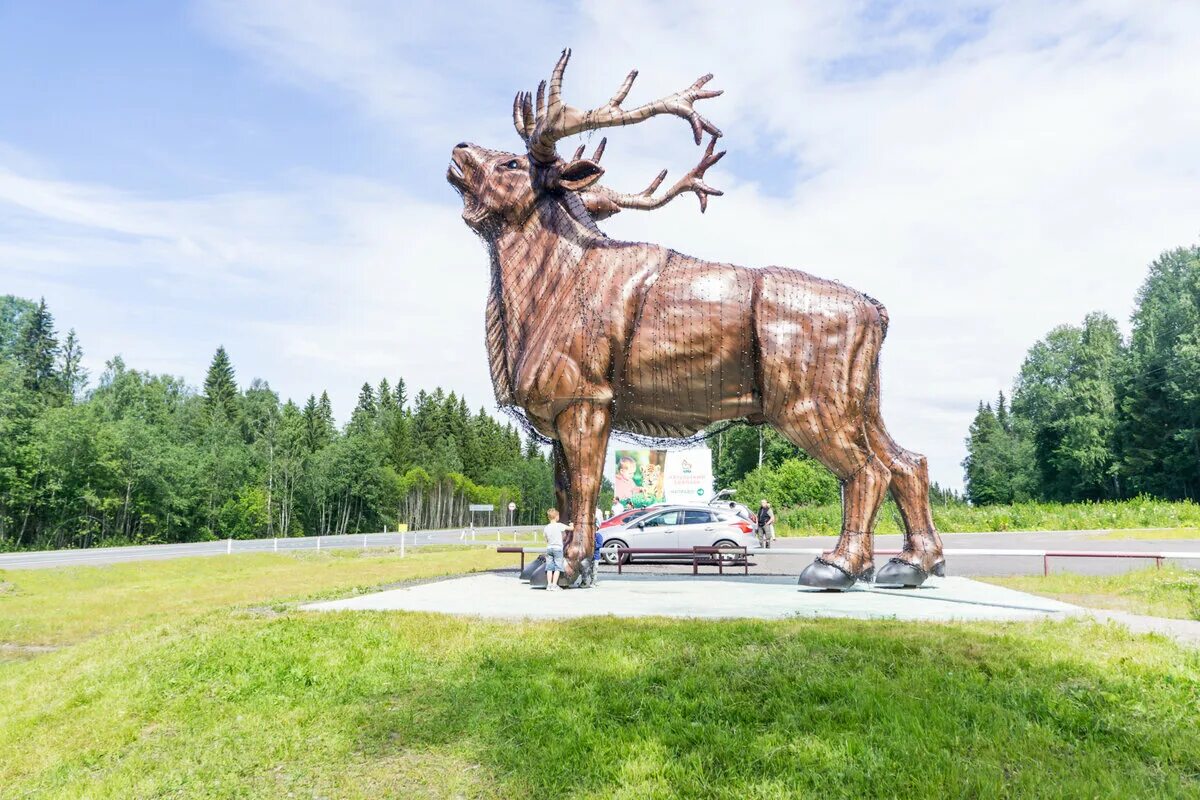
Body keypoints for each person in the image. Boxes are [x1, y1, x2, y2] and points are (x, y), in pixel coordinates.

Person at [542, 508, 571, 590]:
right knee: (558, 567)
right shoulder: (559, 525)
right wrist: (572, 525)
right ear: (556, 517)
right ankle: (554, 585)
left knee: (549, 568)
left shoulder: (546, 527)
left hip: (549, 548)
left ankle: (549, 585)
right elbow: (571, 529)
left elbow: (546, 539)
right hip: (558, 549)